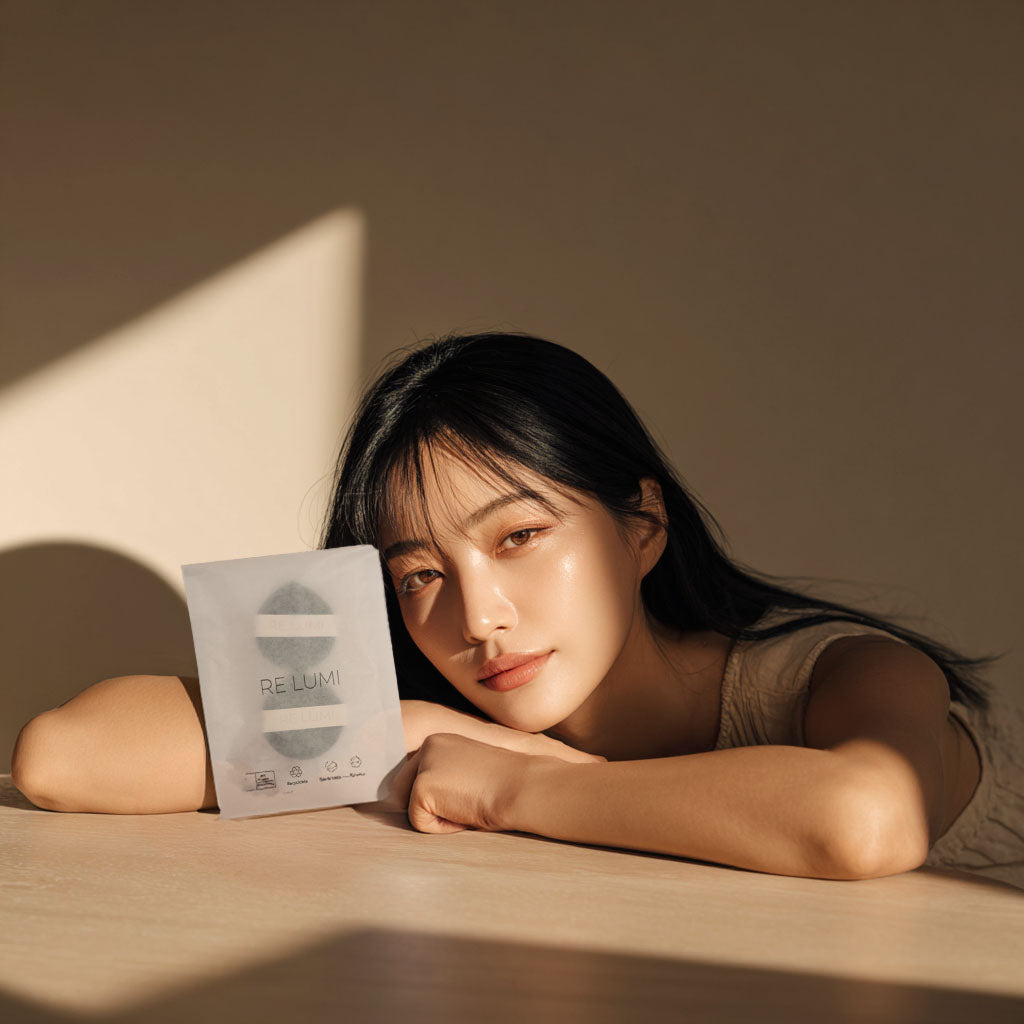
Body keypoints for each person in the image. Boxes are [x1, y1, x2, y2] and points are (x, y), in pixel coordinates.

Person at [11, 332, 1024, 888]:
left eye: (518, 538)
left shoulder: (844, 673)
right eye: (418, 575)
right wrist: (409, 724)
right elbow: (66, 757)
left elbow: (866, 820)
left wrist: (516, 785)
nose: (478, 616)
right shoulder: (446, 713)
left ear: (640, 524)